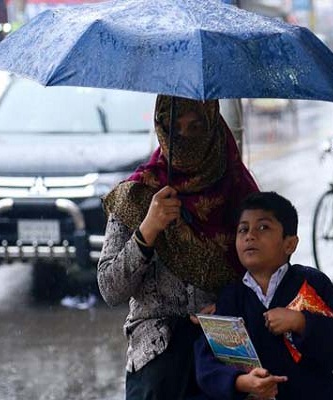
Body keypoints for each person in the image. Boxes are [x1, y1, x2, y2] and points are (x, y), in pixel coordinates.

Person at [97, 95, 259, 400]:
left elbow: (266, 275)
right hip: (157, 356)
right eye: (175, 129)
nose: (184, 139)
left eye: (196, 127)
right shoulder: (137, 195)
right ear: (161, 128)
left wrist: (227, 306)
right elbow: (110, 289)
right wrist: (148, 230)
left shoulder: (239, 191)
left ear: (212, 124)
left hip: (225, 352)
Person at [194, 192, 333, 400]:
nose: (250, 235)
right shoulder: (231, 298)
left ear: (289, 244)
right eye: (243, 229)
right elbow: (206, 363)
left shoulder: (311, 283)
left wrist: (302, 323)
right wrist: (240, 381)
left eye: (263, 227)